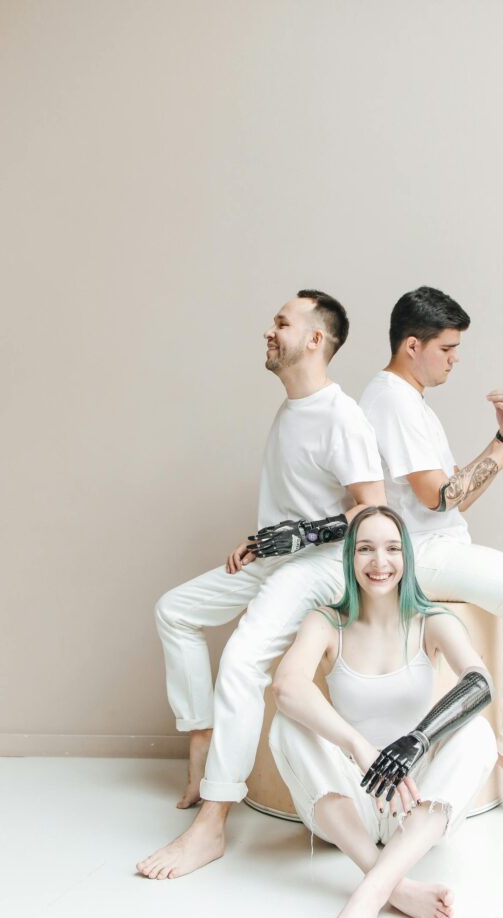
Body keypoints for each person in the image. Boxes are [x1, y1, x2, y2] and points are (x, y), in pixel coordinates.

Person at [136, 290, 386, 879]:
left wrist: (295, 537)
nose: (268, 332)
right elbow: (295, 502)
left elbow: (374, 509)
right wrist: (265, 539)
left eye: (281, 323)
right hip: (277, 558)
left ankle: (211, 825)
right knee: (175, 610)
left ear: (315, 340)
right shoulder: (291, 408)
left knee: (244, 661)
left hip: (319, 567)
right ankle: (202, 737)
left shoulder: (340, 415)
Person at [359, 286, 503, 818]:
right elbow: (439, 496)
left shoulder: (410, 403)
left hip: (436, 541)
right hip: (416, 556)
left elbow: (455, 498)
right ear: (412, 345)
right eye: (447, 348)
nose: (455, 359)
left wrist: (498, 445)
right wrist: (497, 457)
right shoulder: (390, 400)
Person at [269, 505, 498, 918]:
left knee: (479, 734)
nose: (380, 562)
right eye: (366, 549)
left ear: (407, 557)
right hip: (348, 802)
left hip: (414, 804)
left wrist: (420, 738)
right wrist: (358, 746)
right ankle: (396, 886)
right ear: (350, 558)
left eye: (392, 548)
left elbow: (480, 682)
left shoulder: (431, 620)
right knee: (287, 724)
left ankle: (370, 893)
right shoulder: (326, 622)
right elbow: (287, 686)